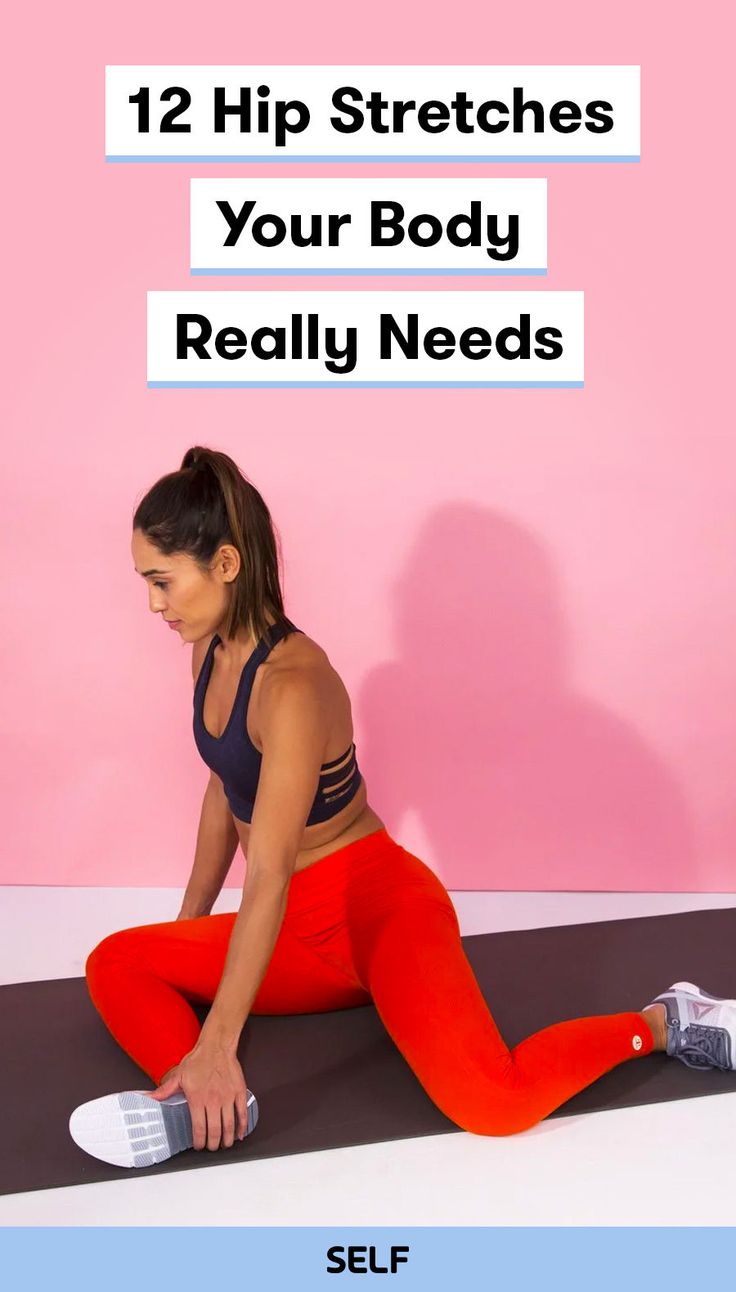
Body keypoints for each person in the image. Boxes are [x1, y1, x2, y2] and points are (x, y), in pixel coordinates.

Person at [69, 445, 736, 1170]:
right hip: (296, 930)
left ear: (225, 565)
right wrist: (188, 937)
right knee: (116, 963)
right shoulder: (208, 649)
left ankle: (667, 1022)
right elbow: (225, 784)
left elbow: (269, 872)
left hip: (376, 907)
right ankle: (203, 1100)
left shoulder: (294, 684)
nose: (153, 604)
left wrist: (221, 1039)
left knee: (493, 1101)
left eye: (162, 582)